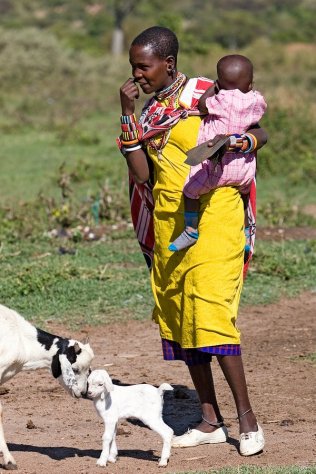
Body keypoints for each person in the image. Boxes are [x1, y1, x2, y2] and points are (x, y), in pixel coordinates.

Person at [118, 26, 267, 456]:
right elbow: (142, 175)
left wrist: (243, 140)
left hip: (217, 213)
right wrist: (127, 111)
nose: (137, 74)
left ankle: (248, 421)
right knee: (183, 315)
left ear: (168, 64)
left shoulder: (204, 93)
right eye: (133, 67)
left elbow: (258, 129)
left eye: (142, 67)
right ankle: (209, 420)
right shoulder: (146, 114)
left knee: (210, 309)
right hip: (170, 220)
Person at [168, 54, 267, 252]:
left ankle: (190, 230)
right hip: (243, 169)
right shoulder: (257, 101)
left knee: (190, 191)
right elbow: (258, 125)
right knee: (245, 193)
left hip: (217, 168)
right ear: (250, 84)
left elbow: (203, 106)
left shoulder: (221, 99)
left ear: (220, 83)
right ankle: (247, 231)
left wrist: (214, 87)